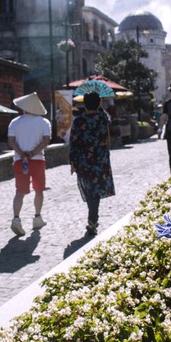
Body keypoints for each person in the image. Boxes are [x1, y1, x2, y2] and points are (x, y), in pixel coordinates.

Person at [69, 91, 115, 237]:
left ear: (84, 103)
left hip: (83, 160)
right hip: (101, 160)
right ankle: (93, 219)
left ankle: (92, 219)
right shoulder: (103, 119)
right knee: (96, 189)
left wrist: (72, 161)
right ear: (99, 103)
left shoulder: (78, 121)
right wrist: (100, 106)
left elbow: (73, 142)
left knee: (89, 189)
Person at [7, 92, 51, 236]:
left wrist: (22, 153)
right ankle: (37, 217)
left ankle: (16, 219)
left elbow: (11, 142)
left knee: (19, 192)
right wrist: (32, 153)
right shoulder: (44, 122)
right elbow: (46, 141)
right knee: (39, 190)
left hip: (20, 160)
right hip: (37, 160)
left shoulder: (15, 122)